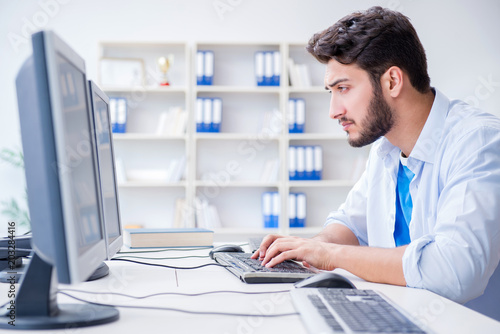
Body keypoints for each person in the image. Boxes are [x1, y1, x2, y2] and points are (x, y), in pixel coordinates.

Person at [252, 6, 500, 305]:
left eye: (343, 88)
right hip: (401, 314)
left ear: (393, 81)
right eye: (331, 92)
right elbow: (351, 224)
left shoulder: (478, 142)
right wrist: (309, 248)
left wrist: (330, 256)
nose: (334, 111)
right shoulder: (386, 148)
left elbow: (456, 272)